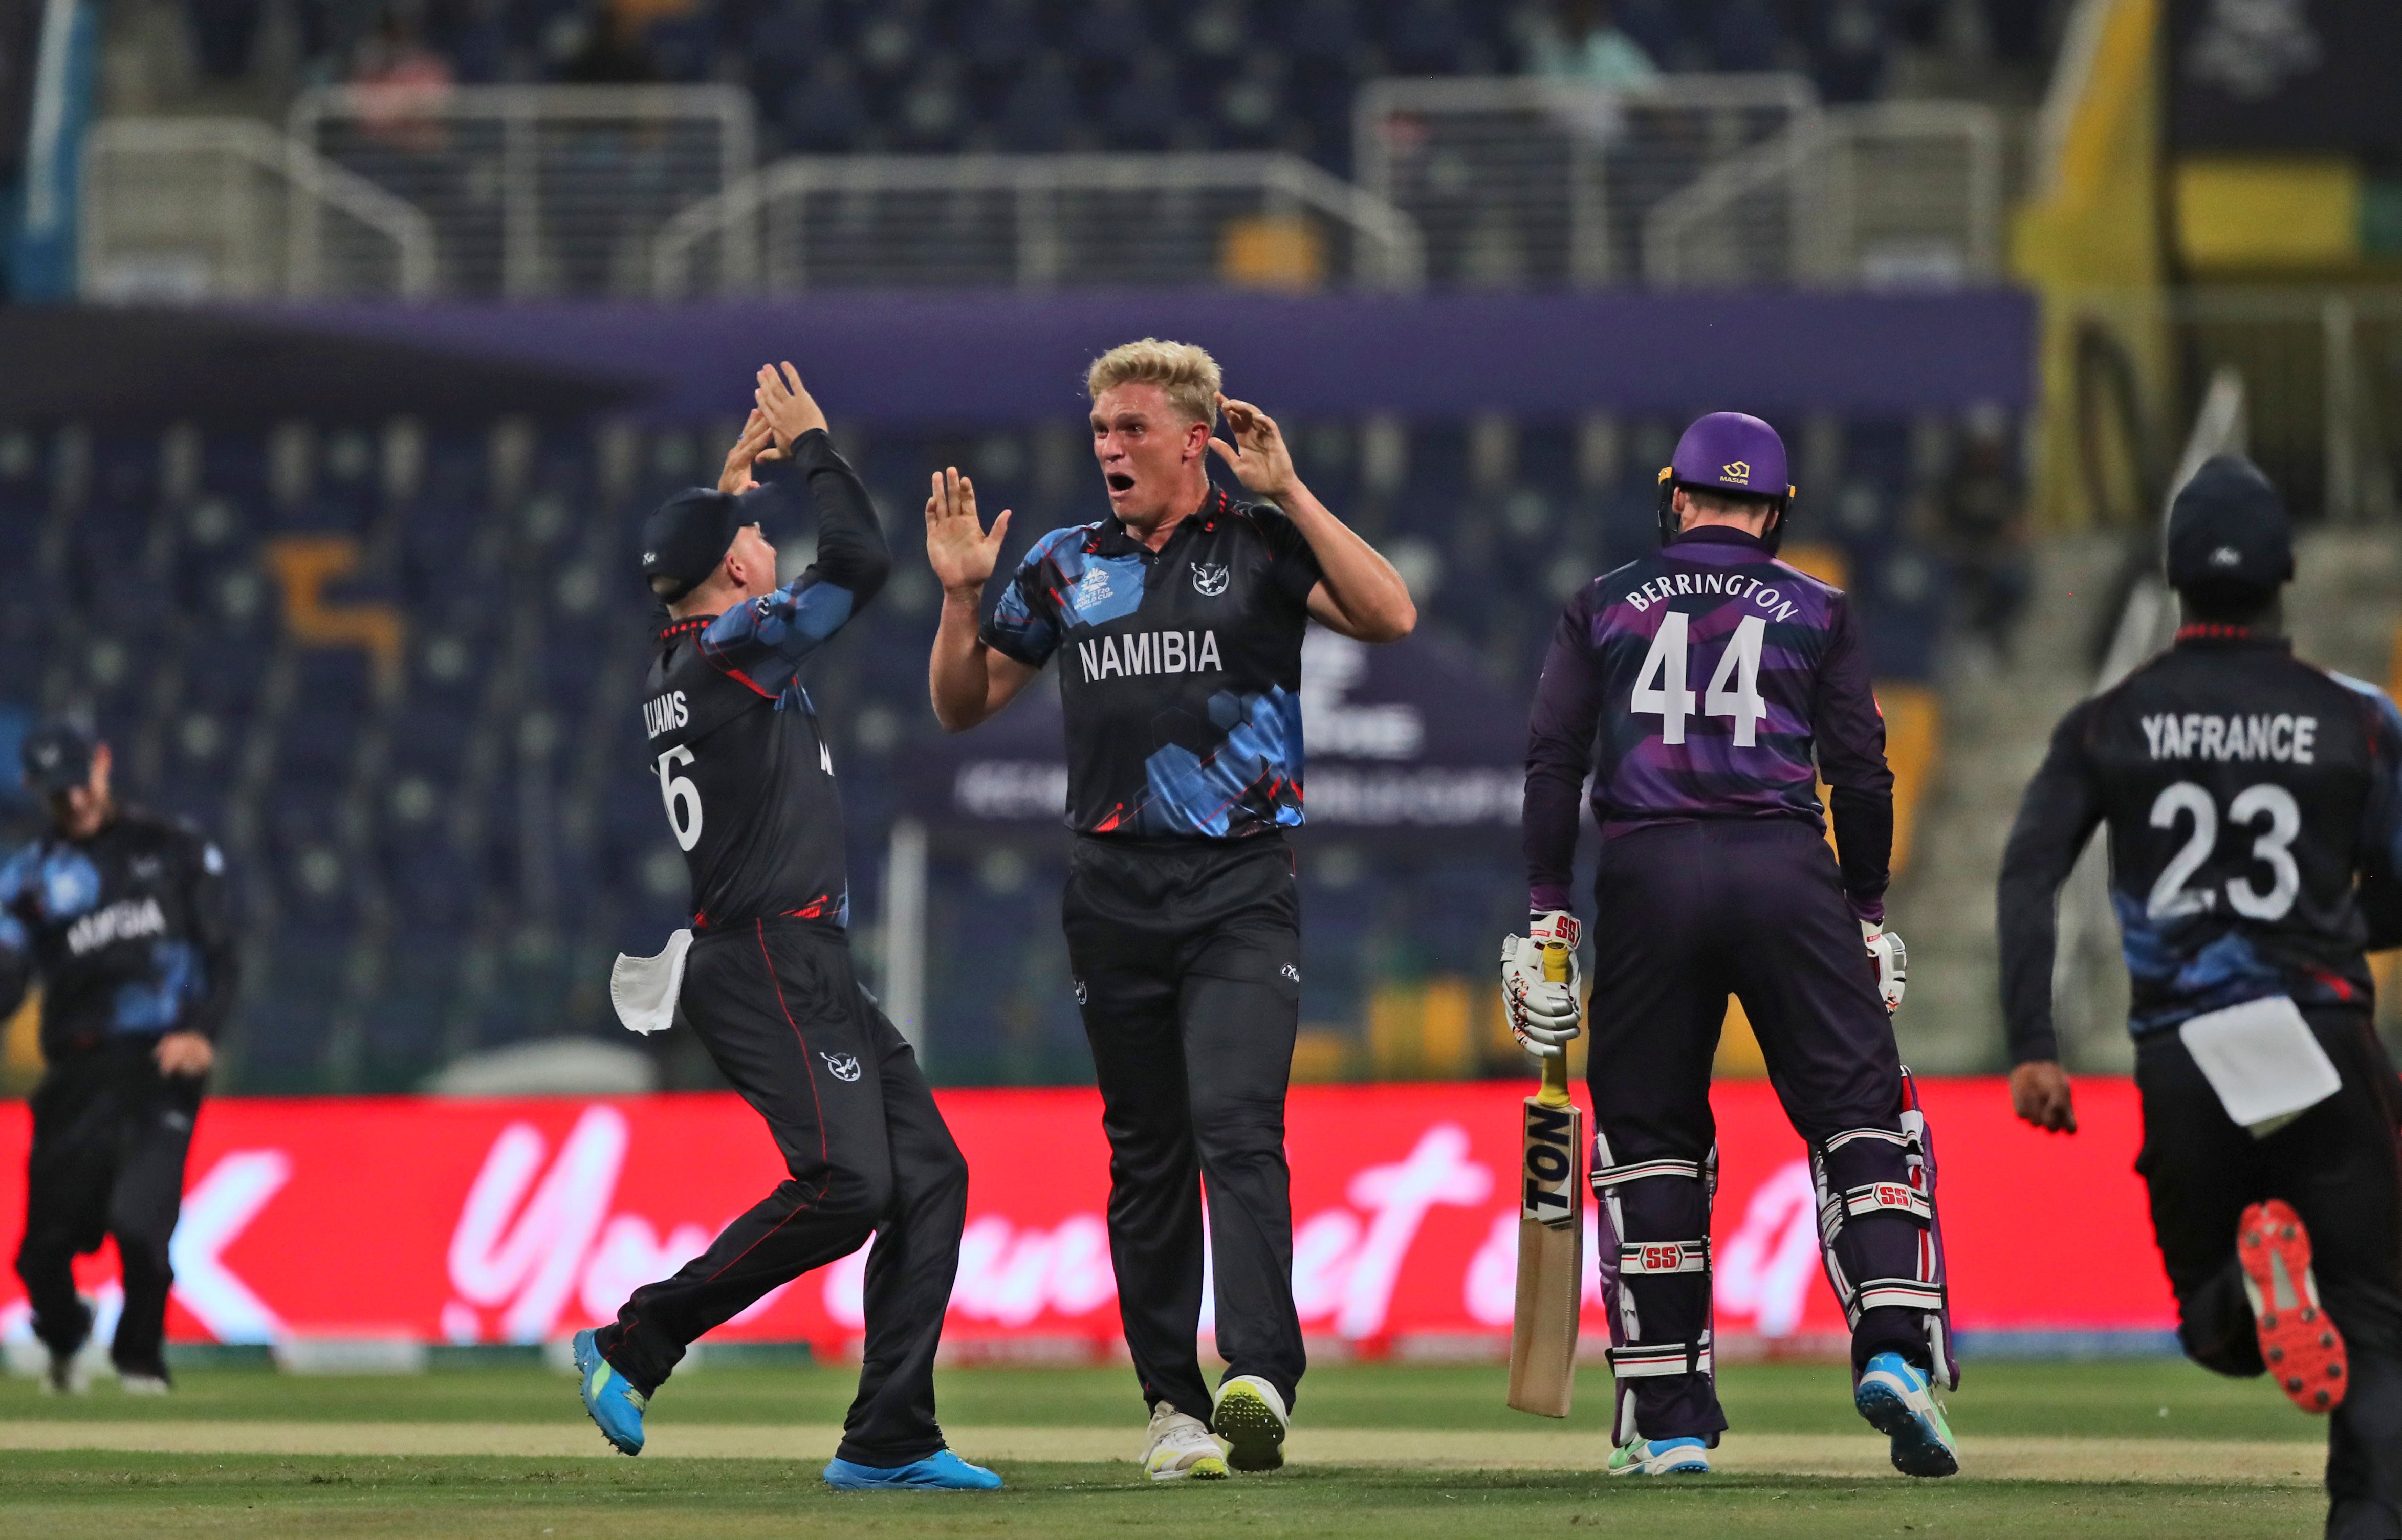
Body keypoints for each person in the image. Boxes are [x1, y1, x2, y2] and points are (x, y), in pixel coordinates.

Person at [924, 338, 1416, 1481]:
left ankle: (1258, 1377)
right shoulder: (1061, 561)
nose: (1109, 448)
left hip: (1240, 885)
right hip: (1111, 894)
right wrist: (958, 599)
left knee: (1236, 1126)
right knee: (1144, 1152)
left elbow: (1388, 615)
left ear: (1197, 440)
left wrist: (1287, 485)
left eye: (1132, 428)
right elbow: (962, 706)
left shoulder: (1257, 541)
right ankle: (1172, 1407)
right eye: (1100, 431)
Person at [574, 363, 999, 1494]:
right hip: (768, 952)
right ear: (733, 571)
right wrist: (816, 447)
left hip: (790, 953)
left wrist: (716, 503)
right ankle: (635, 1341)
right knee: (850, 1184)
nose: (771, 544)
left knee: (931, 1175)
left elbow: (702, 584)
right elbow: (858, 563)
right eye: (752, 535)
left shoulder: (683, 656)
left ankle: (890, 1435)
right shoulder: (733, 647)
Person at [1512, 412, 1958, 1478]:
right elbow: (1862, 772)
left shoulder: (1604, 600)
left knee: (1651, 1133)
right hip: (1782, 872)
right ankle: (1894, 1346)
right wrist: (1867, 911)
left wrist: (1546, 912)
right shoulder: (1819, 607)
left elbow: (1549, 760)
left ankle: (1668, 1419)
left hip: (1648, 872)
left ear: (1676, 496)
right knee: (1860, 1108)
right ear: (1776, 513)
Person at [1998, 456, 2402, 1538]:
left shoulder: (2107, 721)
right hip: (2321, 1031)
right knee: (2378, 1323)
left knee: (2206, 1323)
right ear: (2287, 570)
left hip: (2181, 1049)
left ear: (2172, 575)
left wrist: (2034, 1039)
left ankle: (2251, 1292)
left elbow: (2030, 869)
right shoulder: (2357, 719)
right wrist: (2326, 925)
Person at [1, 721, 236, 1394]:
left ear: (102, 765)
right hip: (76, 1071)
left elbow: (221, 955)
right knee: (41, 1253)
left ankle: (139, 1361)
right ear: (32, 790)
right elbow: (8, 974)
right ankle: (67, 1331)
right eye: (56, 791)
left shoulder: (174, 849)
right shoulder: (26, 877)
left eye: (79, 782)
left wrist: (203, 1030)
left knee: (141, 1226)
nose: (73, 800)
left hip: (163, 1063)